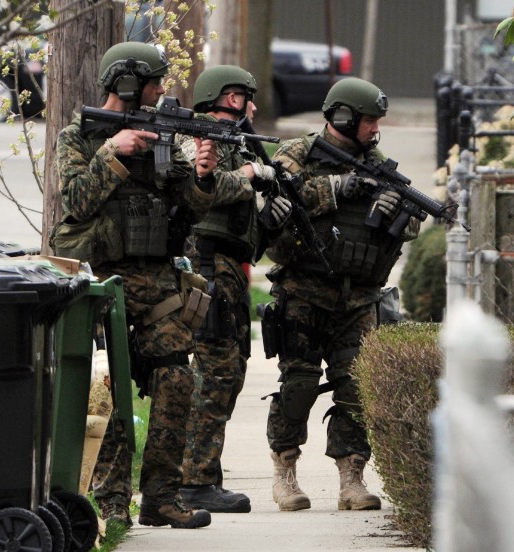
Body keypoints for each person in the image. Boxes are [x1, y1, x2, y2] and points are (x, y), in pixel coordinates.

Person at [53, 41, 218, 529]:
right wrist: (114, 152)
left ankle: (160, 497)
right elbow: (78, 202)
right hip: (104, 285)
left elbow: (191, 209)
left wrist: (204, 177)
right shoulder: (79, 137)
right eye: (154, 81)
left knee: (176, 380)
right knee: (108, 389)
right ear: (126, 83)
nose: (163, 89)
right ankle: (110, 500)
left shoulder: (164, 136)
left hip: (158, 286)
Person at [262, 77, 421, 512]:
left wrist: (397, 216)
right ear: (344, 117)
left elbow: (410, 224)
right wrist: (334, 189)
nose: (375, 129)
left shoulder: (379, 161)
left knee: (356, 389)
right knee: (298, 383)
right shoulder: (299, 154)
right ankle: (285, 473)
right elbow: (275, 200)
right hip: (303, 291)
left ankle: (352, 477)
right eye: (369, 120)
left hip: (357, 298)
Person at [175, 65, 291, 513]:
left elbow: (243, 230)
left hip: (228, 269)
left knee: (230, 370)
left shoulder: (235, 144)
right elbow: (198, 186)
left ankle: (205, 471)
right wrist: (250, 175)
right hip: (204, 267)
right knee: (214, 372)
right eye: (245, 97)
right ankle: (194, 481)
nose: (254, 106)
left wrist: (268, 221)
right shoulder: (198, 139)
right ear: (222, 97)